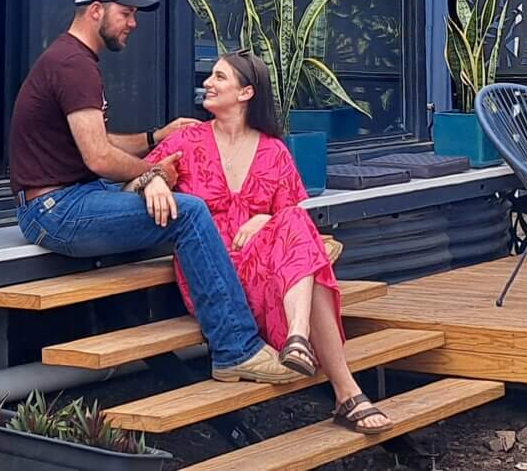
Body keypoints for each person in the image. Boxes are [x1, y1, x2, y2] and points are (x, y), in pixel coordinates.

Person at [9, 0, 298, 384]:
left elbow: (96, 141)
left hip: (70, 196)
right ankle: (237, 348)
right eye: (126, 13)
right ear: (95, 11)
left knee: (174, 199)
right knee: (192, 214)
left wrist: (154, 138)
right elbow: (99, 157)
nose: (133, 23)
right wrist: (153, 173)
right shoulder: (74, 66)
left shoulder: (71, 58)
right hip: (55, 211)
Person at [146, 51, 395, 434]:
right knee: (313, 271)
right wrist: (157, 179)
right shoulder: (187, 140)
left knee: (294, 219)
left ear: (246, 92)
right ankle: (345, 390)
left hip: (266, 275)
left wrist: (267, 218)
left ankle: (299, 339)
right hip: (212, 278)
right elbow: (136, 177)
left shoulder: (274, 151)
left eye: (219, 77)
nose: (207, 84)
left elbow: (295, 227)